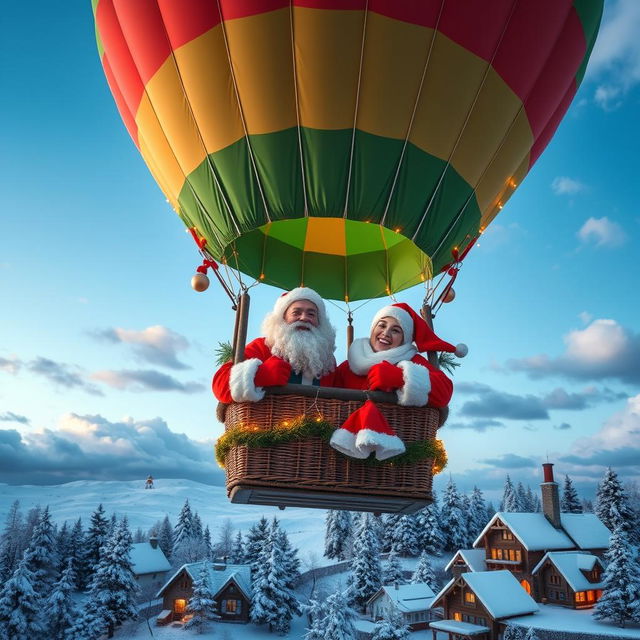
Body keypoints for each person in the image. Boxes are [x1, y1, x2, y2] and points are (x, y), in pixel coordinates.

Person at [330, 302, 466, 460]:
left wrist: (401, 377)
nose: (386, 333)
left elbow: (444, 391)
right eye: (382, 325)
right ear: (373, 328)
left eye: (395, 330)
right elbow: (326, 387)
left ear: (404, 338)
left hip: (396, 454)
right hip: (345, 455)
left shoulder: (411, 360)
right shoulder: (351, 363)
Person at [213, 287, 338, 403]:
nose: (304, 318)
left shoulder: (327, 360)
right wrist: (260, 375)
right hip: (265, 425)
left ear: (319, 322)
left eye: (311, 314)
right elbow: (220, 386)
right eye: (296, 312)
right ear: (283, 319)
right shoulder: (263, 346)